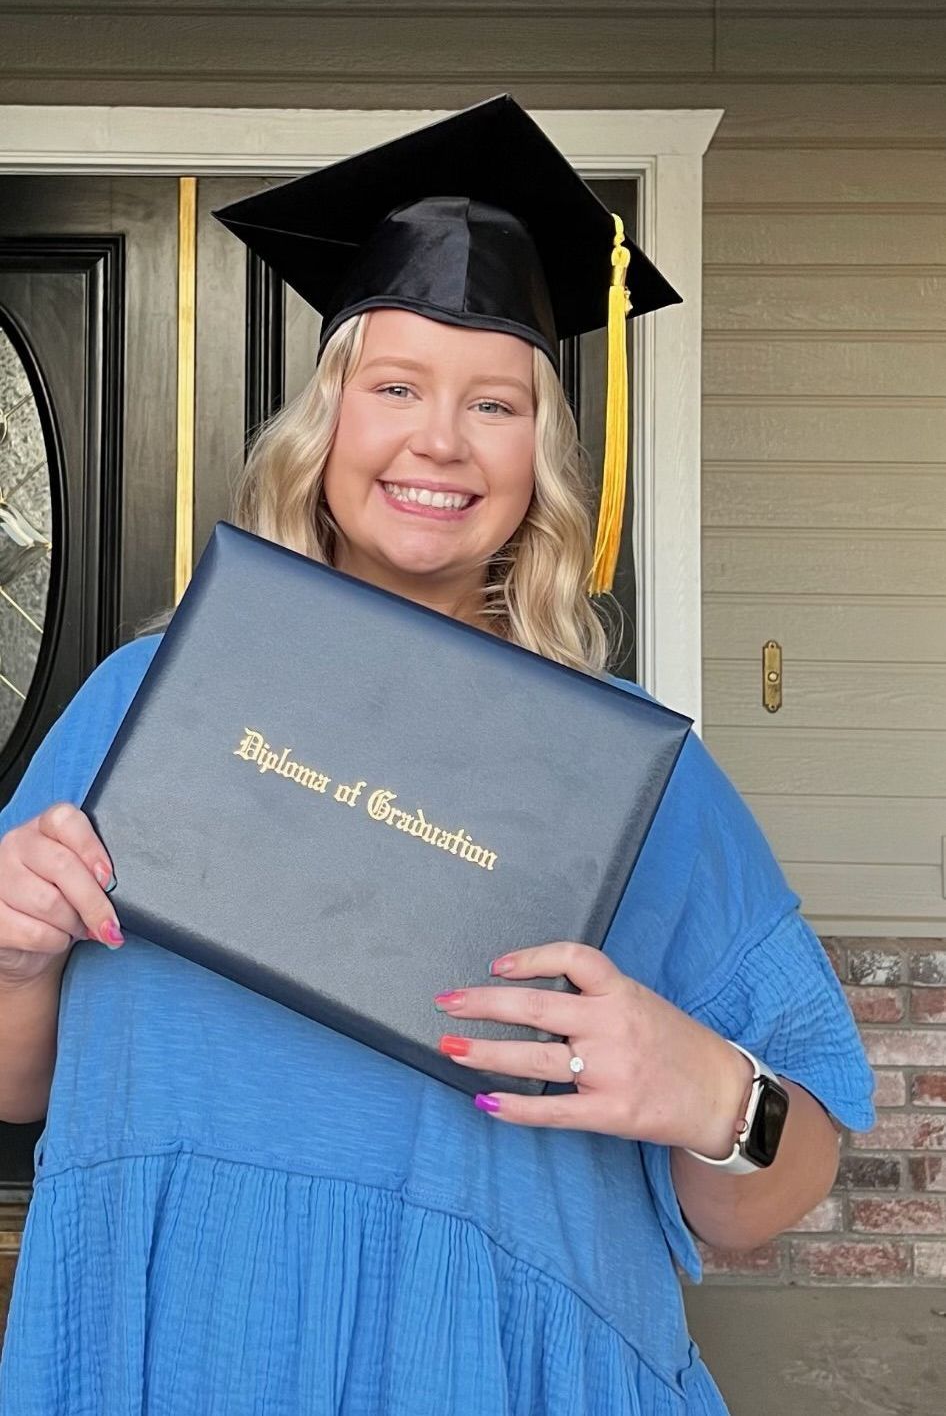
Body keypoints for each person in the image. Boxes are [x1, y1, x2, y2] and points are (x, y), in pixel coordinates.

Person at [0, 97, 874, 1414]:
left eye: (494, 403)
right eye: (394, 386)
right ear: (325, 424)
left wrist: (714, 1093)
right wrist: (14, 953)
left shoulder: (624, 777)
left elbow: (771, 1192)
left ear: (542, 458)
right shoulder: (148, 702)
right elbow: (19, 1082)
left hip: (486, 1363)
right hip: (173, 1338)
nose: (439, 441)